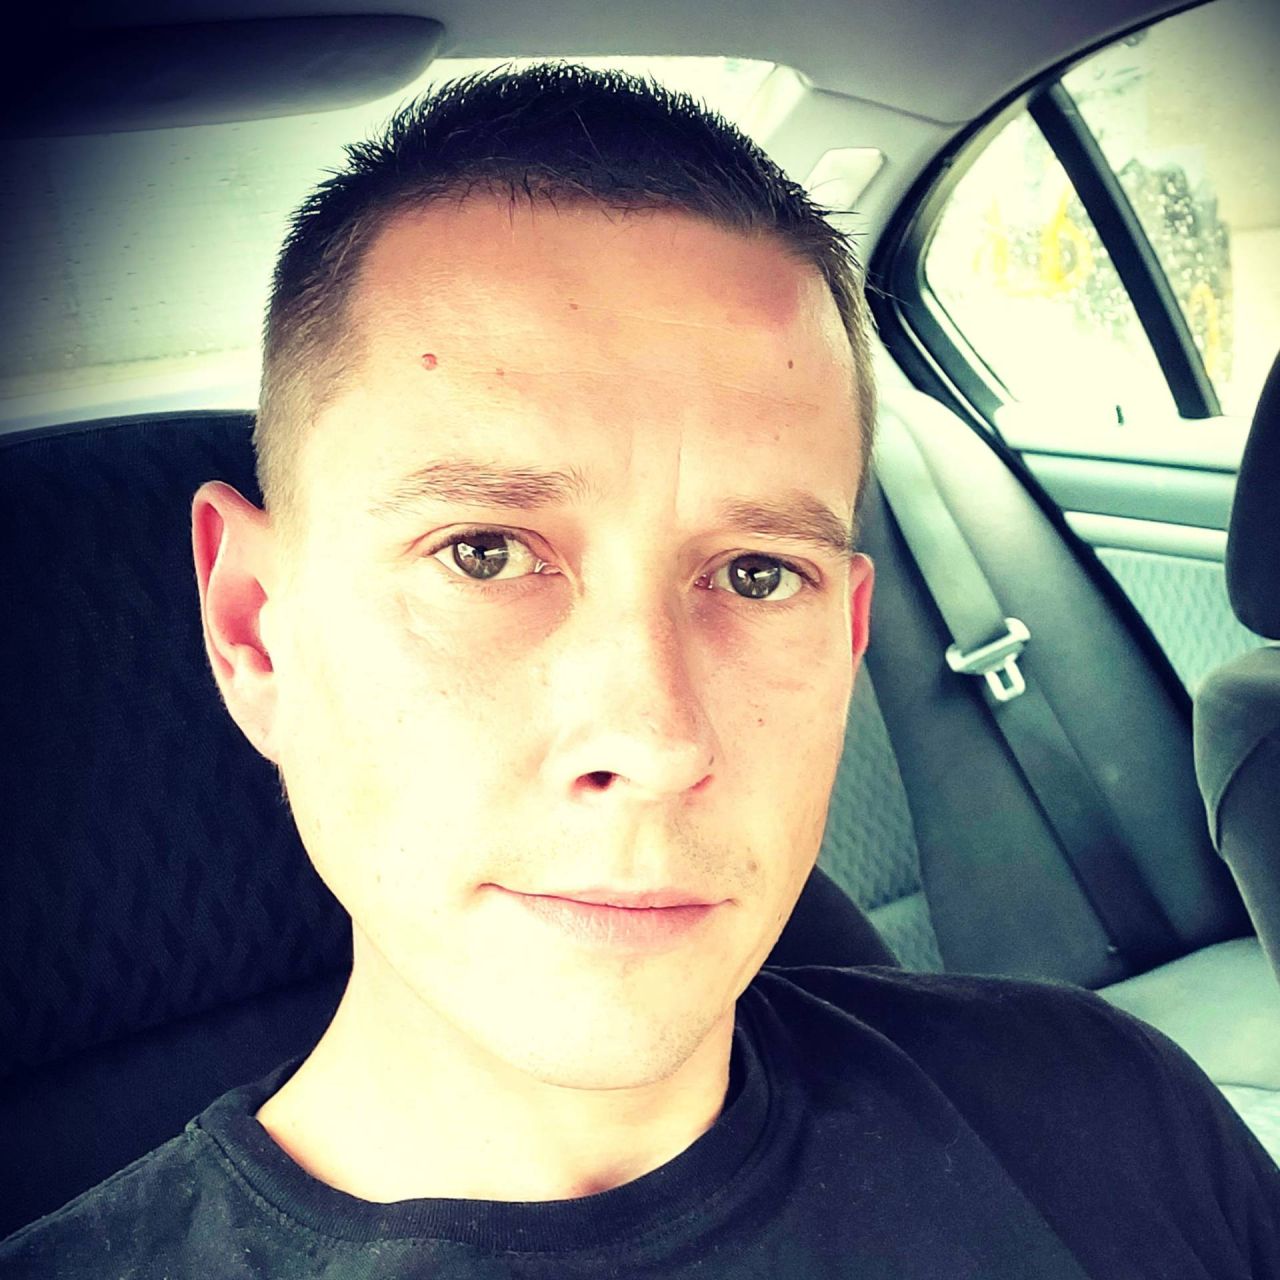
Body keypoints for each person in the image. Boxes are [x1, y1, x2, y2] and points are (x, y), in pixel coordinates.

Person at [2, 63, 1277, 1278]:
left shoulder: (1114, 1113)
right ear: (255, 625)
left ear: (846, 637)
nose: (657, 736)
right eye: (484, 552)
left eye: (758, 572)